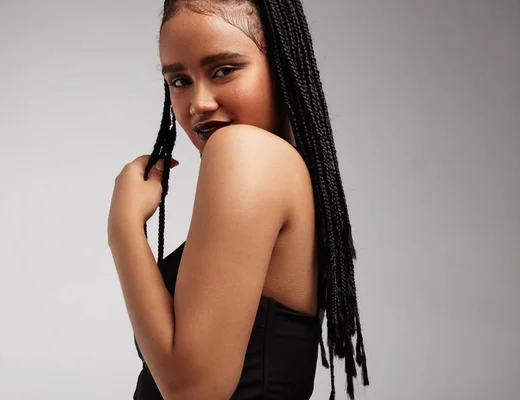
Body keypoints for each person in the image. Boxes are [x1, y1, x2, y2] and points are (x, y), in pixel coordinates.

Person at [107, 0, 369, 399]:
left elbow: (193, 391)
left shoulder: (246, 152)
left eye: (224, 70)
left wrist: (123, 230)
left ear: (280, 65)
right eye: (179, 81)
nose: (199, 103)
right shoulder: (289, 170)